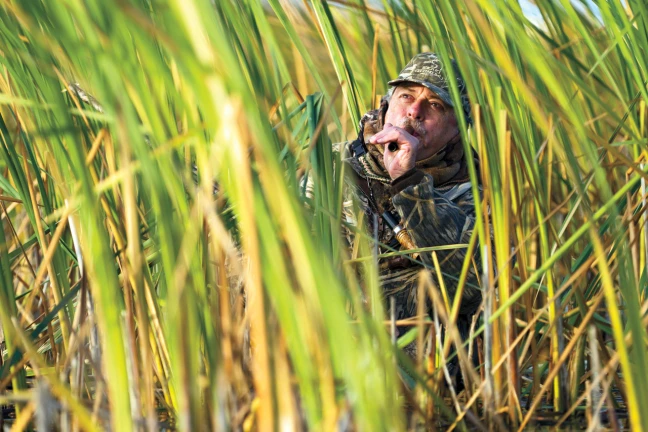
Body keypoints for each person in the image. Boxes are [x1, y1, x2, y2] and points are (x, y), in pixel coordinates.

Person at [341, 52, 483, 365]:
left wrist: (408, 182)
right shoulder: (331, 167)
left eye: (435, 105)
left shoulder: (472, 194)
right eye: (407, 96)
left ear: (457, 128)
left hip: (426, 382)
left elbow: (472, 283)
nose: (415, 111)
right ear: (386, 104)